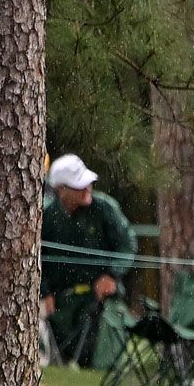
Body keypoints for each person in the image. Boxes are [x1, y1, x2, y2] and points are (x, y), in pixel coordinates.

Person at [39, 154, 136, 367]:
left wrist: (111, 274)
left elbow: (127, 245)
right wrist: (44, 292)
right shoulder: (46, 216)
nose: (87, 188)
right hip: (60, 299)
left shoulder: (104, 208)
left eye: (88, 183)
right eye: (78, 185)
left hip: (99, 297)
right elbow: (39, 259)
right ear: (61, 189)